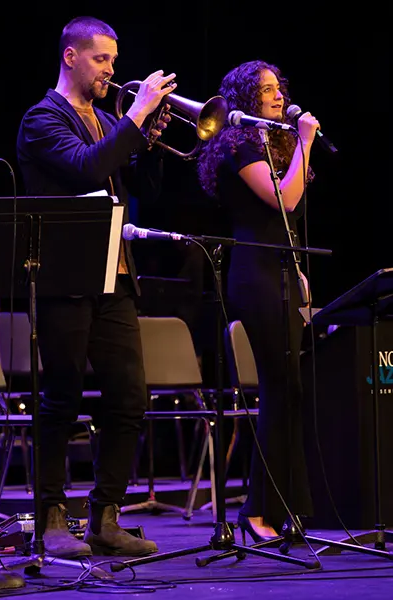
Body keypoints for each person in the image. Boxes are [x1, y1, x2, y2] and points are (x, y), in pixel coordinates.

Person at [15, 16, 172, 557]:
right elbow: (84, 169)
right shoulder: (41, 119)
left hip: (116, 276)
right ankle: (50, 520)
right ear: (71, 57)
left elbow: (138, 187)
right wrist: (133, 119)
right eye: (101, 59)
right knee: (60, 398)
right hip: (64, 276)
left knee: (130, 398)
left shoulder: (108, 119)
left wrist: (148, 140)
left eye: (113, 59)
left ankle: (106, 516)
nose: (111, 69)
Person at [197, 60, 319, 540]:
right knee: (276, 385)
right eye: (265, 89)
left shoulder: (274, 142)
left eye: (278, 87)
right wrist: (307, 142)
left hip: (282, 271)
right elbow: (283, 201)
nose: (276, 95)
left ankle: (287, 505)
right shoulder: (238, 143)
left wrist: (298, 268)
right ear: (246, 97)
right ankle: (256, 509)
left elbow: (286, 222)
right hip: (254, 273)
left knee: (291, 388)